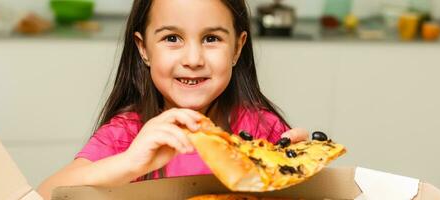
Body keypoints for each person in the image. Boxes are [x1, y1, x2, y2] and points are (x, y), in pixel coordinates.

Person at [37, 0, 308, 199]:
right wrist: (130, 163)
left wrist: (301, 173)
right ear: (144, 49)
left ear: (237, 48)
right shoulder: (127, 135)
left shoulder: (263, 131)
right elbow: (45, 194)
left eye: (211, 38)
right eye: (172, 38)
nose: (193, 59)